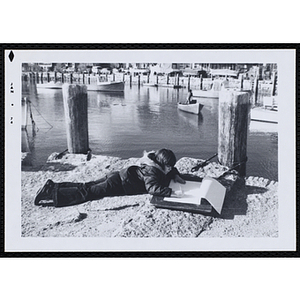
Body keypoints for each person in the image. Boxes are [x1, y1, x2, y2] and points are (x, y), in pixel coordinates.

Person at [34, 149, 187, 207]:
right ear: (161, 164)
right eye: (169, 167)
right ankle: (52, 194)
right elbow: (152, 188)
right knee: (87, 193)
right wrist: (171, 193)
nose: (171, 169)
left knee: (86, 185)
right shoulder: (153, 172)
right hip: (118, 184)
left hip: (117, 176)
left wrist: (176, 175)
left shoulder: (154, 165)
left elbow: (169, 171)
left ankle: (53, 186)